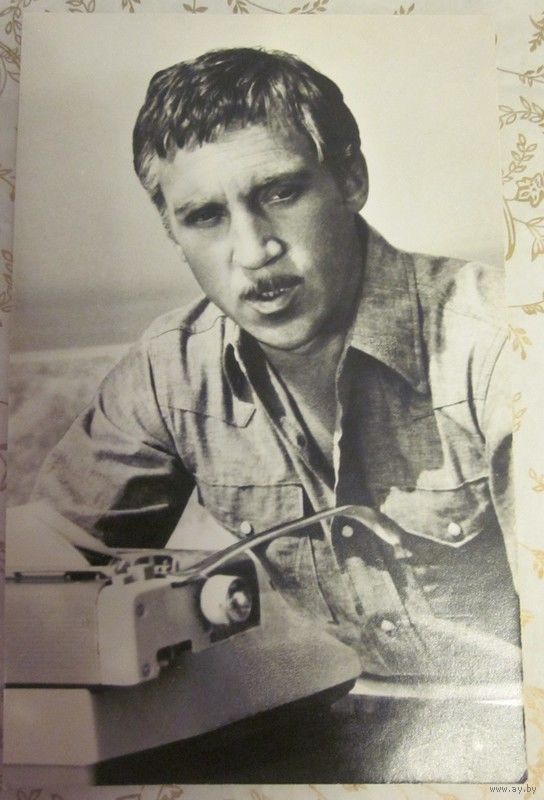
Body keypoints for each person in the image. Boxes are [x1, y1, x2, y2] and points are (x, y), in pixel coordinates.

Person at [32, 47, 524, 779]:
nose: (253, 250)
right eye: (205, 216)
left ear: (352, 179)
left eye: (281, 192)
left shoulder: (504, 344)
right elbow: (40, 570)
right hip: (363, 728)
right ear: (170, 228)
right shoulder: (171, 371)